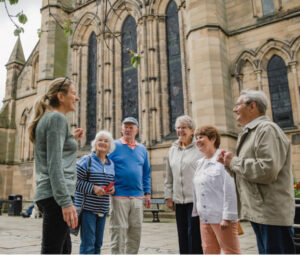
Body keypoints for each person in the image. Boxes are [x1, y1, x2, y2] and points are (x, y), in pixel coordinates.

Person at [217, 89, 295, 254]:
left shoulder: (267, 130)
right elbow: (248, 172)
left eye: (238, 104)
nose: (234, 109)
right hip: (260, 212)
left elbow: (267, 170)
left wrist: (234, 161)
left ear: (252, 106)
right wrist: (228, 164)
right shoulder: (251, 132)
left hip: (271, 214)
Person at [28, 77, 83, 254]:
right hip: (57, 196)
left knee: (64, 249)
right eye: (73, 94)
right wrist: (65, 201)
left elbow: (52, 154)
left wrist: (70, 140)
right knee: (52, 250)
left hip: (50, 195)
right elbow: (55, 163)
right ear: (61, 96)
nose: (77, 98)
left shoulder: (48, 119)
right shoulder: (57, 119)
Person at [192, 125, 240, 254]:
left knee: (231, 251)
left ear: (213, 139)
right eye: (196, 138)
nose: (197, 140)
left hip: (222, 218)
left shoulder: (222, 159)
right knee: (209, 251)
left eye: (201, 137)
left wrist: (228, 217)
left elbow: (230, 190)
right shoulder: (200, 163)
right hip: (205, 218)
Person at [108, 117, 151, 254]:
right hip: (118, 196)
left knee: (135, 233)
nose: (127, 129)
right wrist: (108, 185)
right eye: (125, 126)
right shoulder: (114, 146)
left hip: (137, 197)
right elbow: (105, 166)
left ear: (136, 130)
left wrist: (147, 193)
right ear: (121, 129)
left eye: (131, 127)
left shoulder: (142, 149)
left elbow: (146, 173)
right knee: (118, 231)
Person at [164, 115, 203, 254]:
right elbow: (169, 176)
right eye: (178, 128)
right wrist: (168, 196)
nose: (180, 131)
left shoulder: (199, 148)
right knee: (182, 235)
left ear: (192, 130)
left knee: (194, 234)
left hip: (195, 200)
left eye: (184, 128)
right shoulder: (172, 149)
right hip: (179, 200)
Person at [74, 130, 115, 254]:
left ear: (110, 146)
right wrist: (93, 188)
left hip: (102, 209)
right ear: (95, 143)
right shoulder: (86, 160)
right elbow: (73, 181)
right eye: (100, 140)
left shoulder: (110, 163)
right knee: (88, 245)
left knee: (98, 244)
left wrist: (112, 189)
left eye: (106, 141)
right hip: (87, 210)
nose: (102, 142)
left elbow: (111, 181)